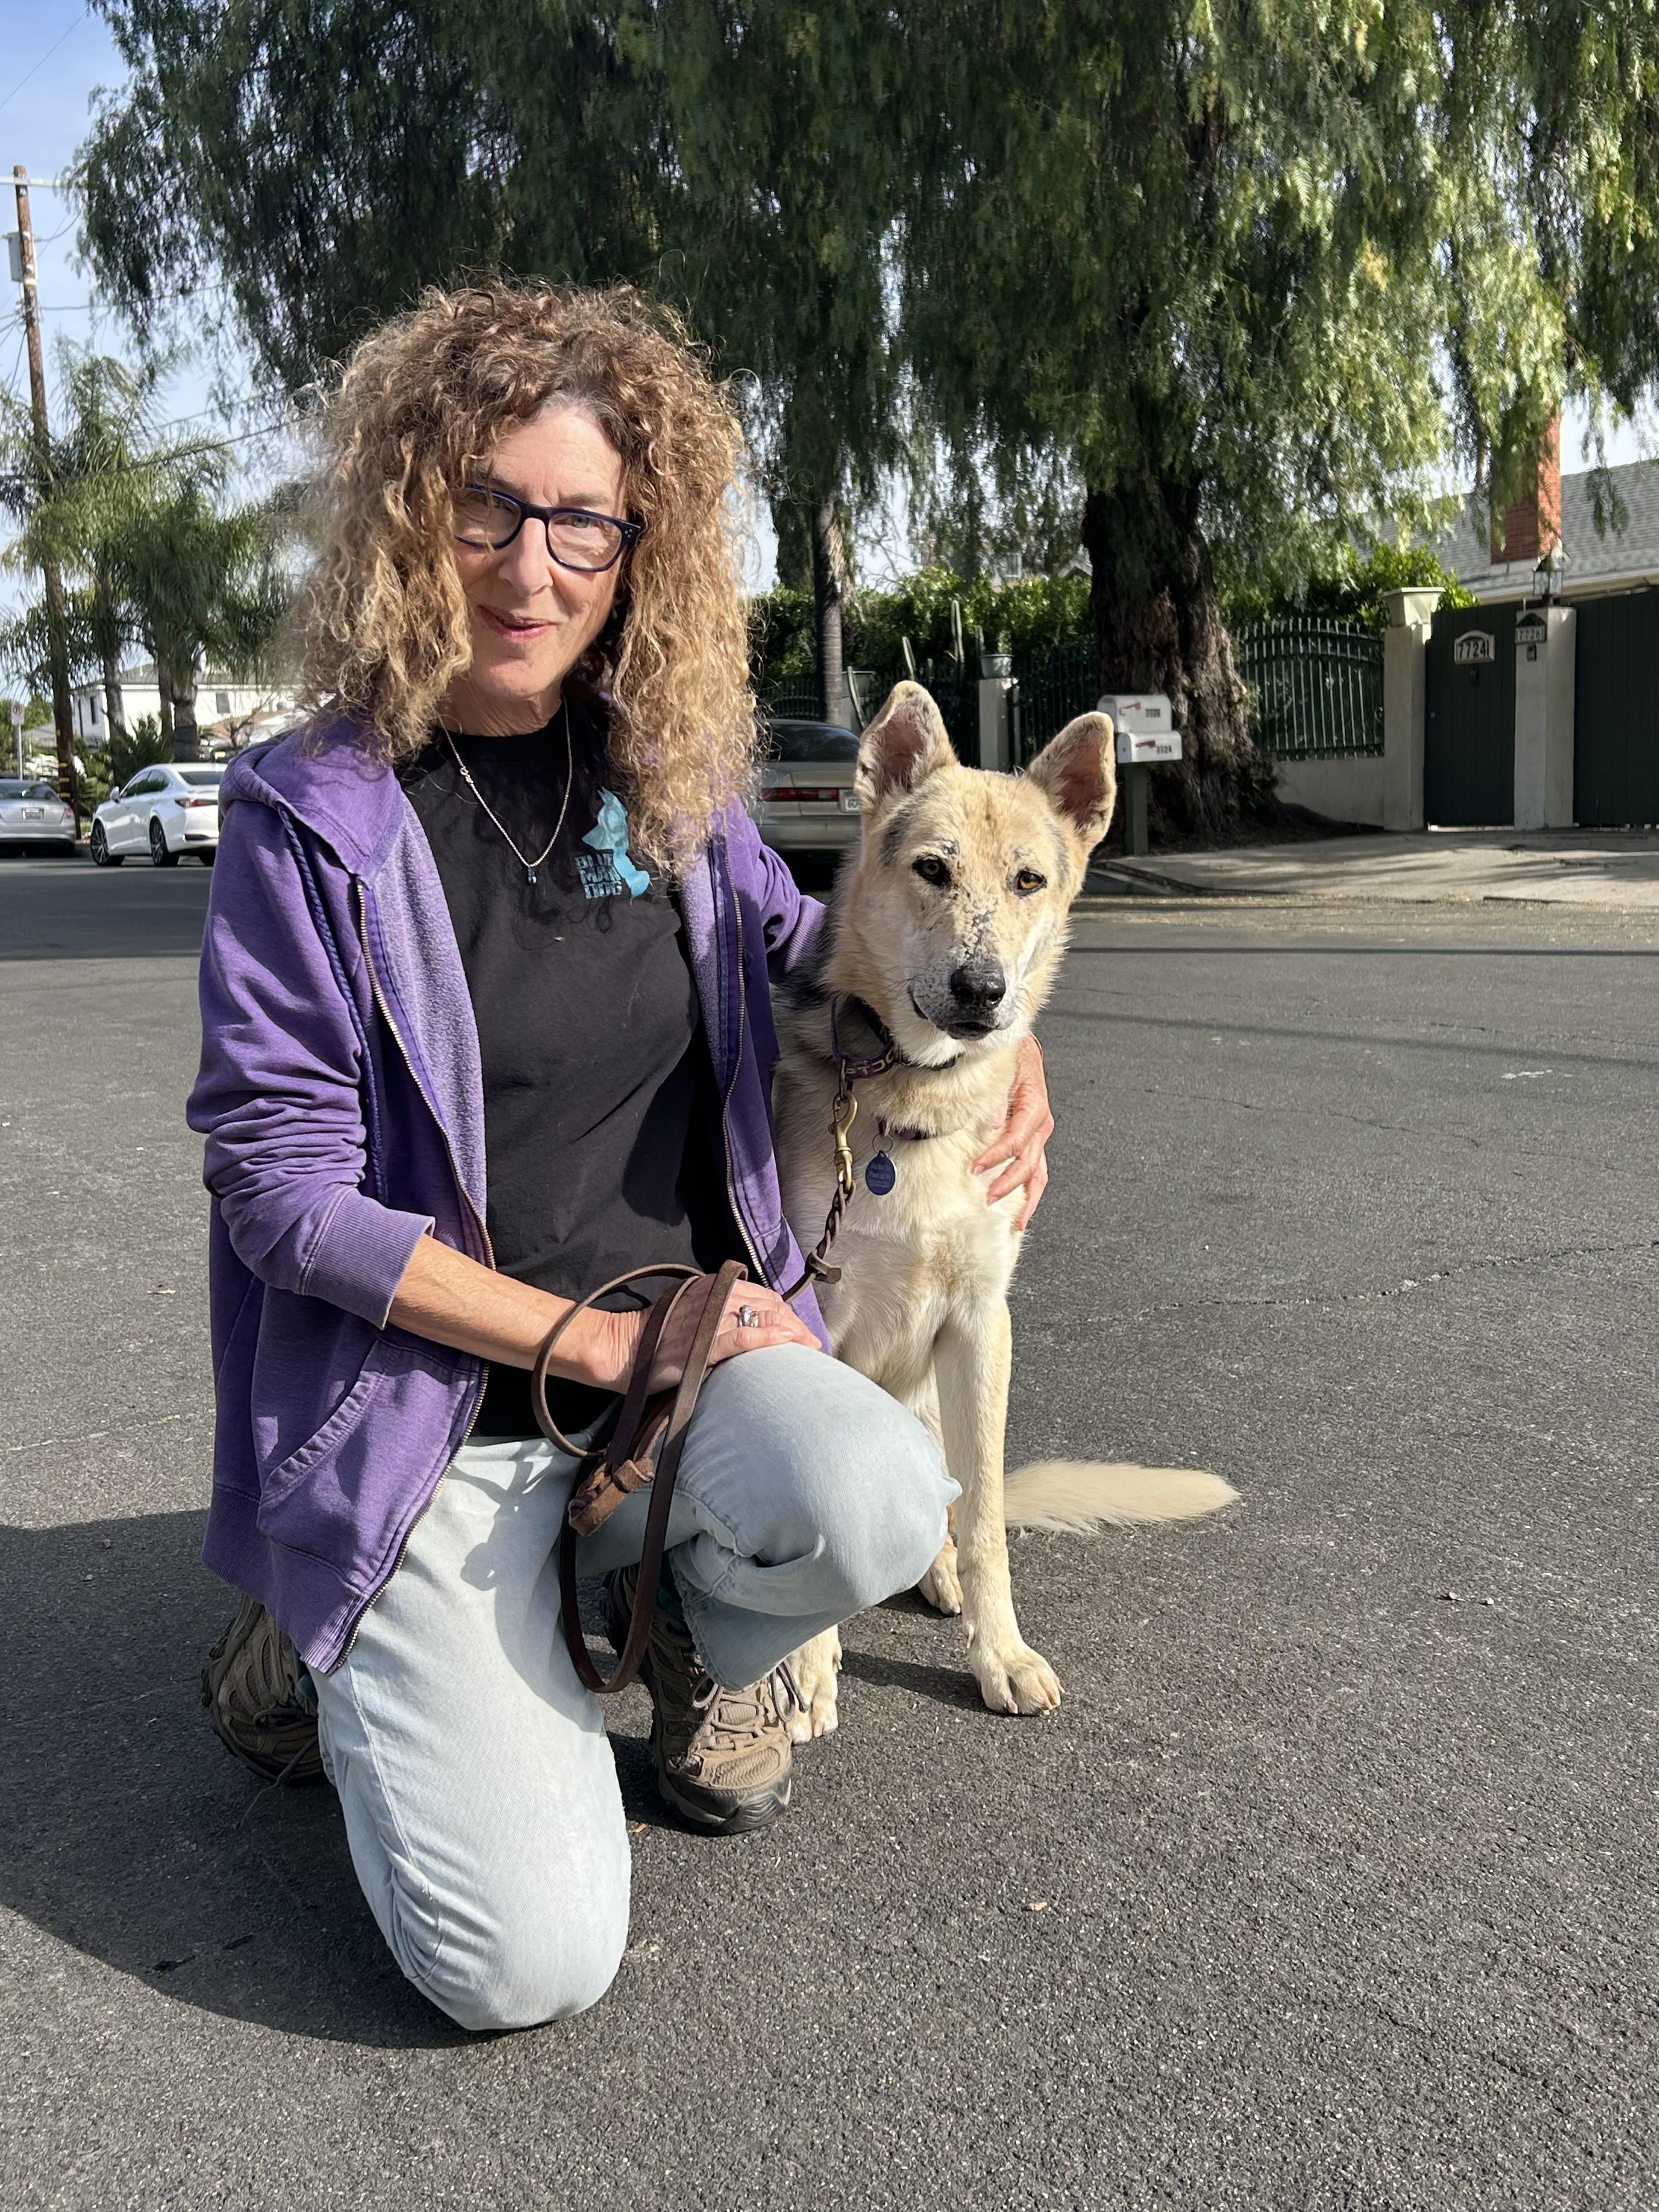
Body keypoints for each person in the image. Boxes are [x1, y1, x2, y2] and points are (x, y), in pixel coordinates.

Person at [188, 282, 1057, 2033]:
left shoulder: (668, 785)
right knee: (524, 1965)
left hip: (675, 1368)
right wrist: (583, 1341)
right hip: (431, 1418)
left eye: (585, 517)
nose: (532, 564)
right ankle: (317, 1635)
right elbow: (279, 1195)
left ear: (638, 544)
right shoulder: (310, 820)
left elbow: (833, 950)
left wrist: (1003, 1049)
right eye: (487, 505)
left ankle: (656, 1608)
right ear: (406, 514)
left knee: (884, 1498)